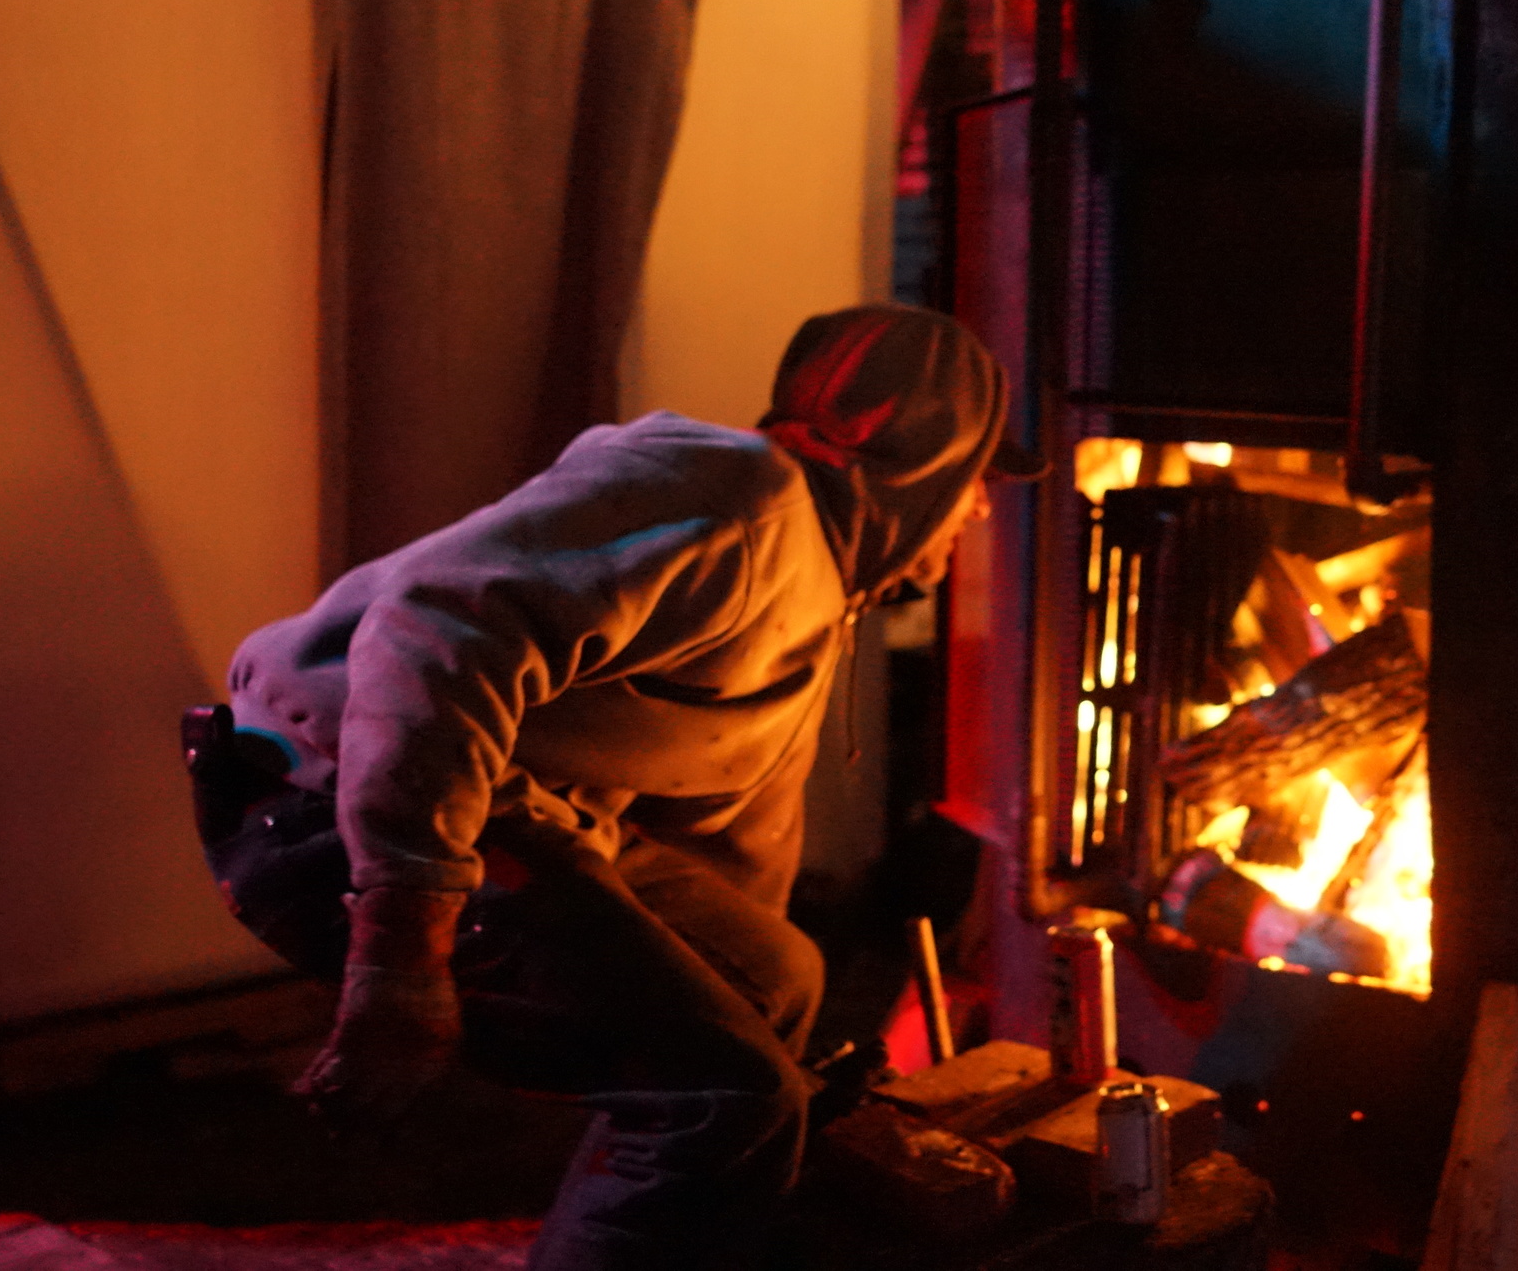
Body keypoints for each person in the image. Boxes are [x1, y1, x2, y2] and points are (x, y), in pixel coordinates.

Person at [187, 304, 1039, 1269]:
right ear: (918, 460)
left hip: (510, 816)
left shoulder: (813, 588)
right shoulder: (741, 494)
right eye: (976, 479)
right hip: (321, 792)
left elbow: (727, 852)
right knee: (728, 1096)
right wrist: (401, 948)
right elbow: (435, 636)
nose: (979, 510)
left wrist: (740, 1018)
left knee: (775, 982)